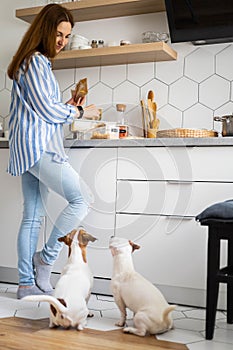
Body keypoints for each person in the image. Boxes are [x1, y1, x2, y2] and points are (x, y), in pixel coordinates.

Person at [7, 4, 99, 299]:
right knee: (82, 199)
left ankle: (25, 283)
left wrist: (68, 105)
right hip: (38, 147)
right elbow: (47, 110)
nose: (62, 41)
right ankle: (45, 261)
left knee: (32, 216)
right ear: (44, 30)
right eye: (58, 33)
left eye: (67, 36)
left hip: (31, 148)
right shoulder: (35, 62)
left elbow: (43, 106)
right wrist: (81, 111)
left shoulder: (35, 63)